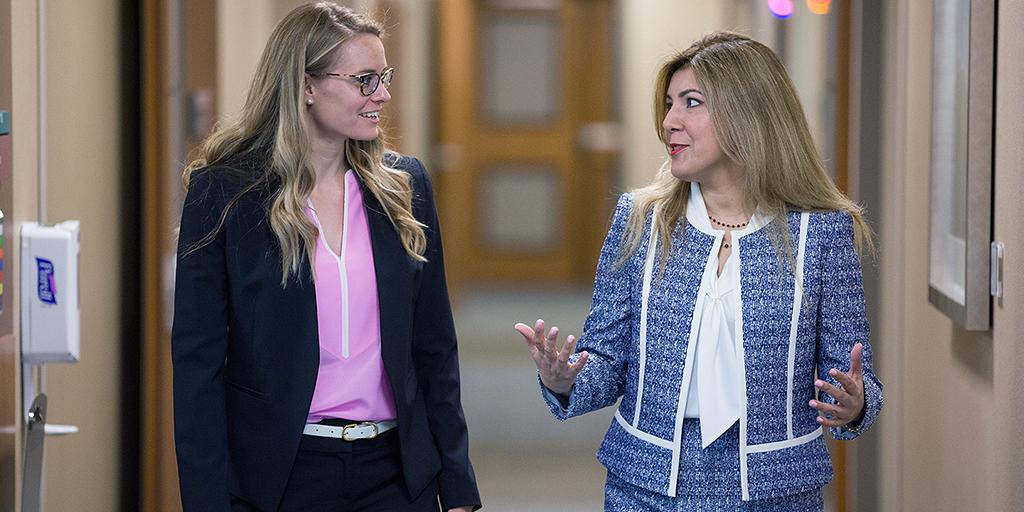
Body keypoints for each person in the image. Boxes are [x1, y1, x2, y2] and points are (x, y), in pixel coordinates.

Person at [515, 31, 882, 511]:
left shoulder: (822, 234)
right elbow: (606, 362)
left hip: (778, 489)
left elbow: (856, 379)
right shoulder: (641, 220)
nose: (670, 121)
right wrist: (564, 379)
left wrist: (853, 404)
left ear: (750, 114)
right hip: (647, 484)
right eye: (669, 104)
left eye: (692, 103)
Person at [171, 3, 480, 511]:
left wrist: (458, 483)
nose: (381, 94)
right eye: (364, 80)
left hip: (395, 474)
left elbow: (434, 350)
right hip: (279, 476)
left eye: (384, 77)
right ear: (306, 85)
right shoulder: (226, 194)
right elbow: (197, 370)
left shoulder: (404, 188)